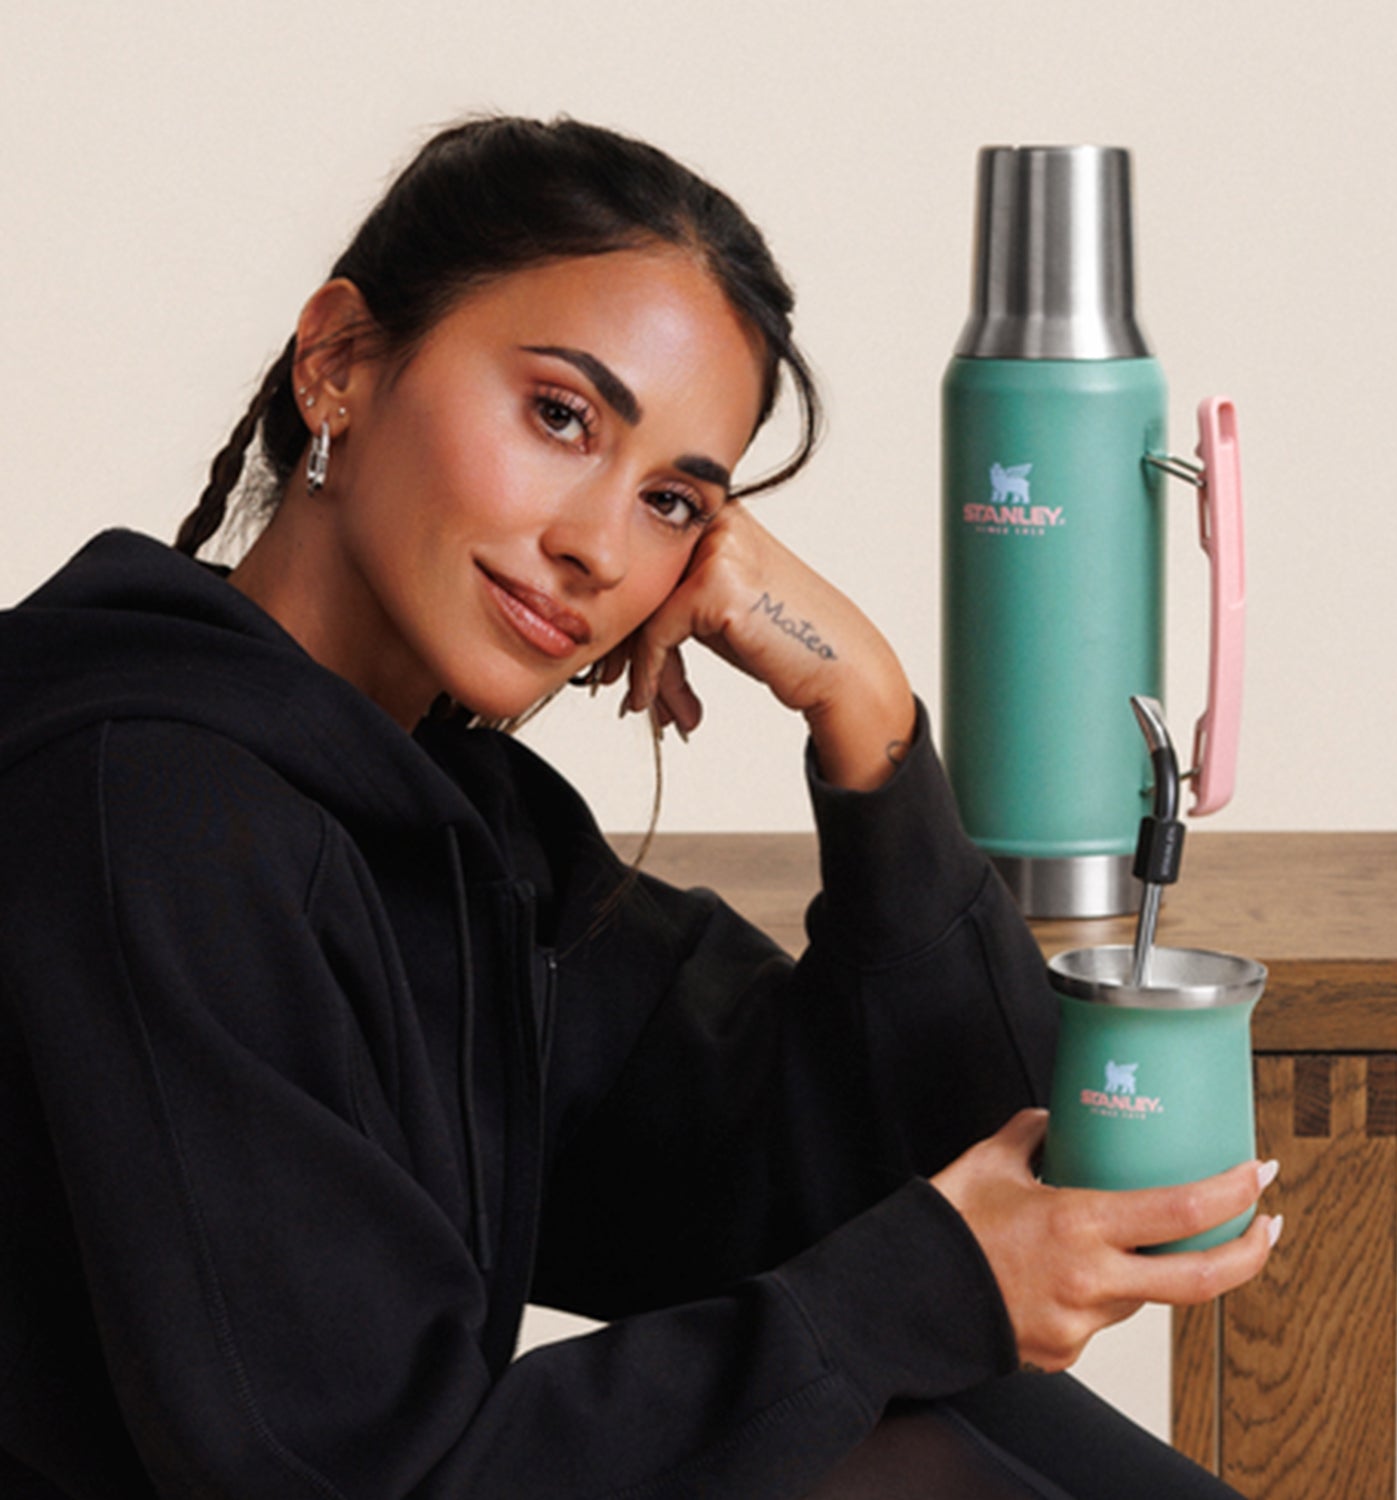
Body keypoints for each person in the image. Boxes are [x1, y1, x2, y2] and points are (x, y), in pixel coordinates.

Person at [0, 115, 1279, 1499]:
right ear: (340, 363)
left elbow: (941, 1163)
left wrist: (866, 715)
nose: (598, 548)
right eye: (561, 416)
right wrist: (924, 1288)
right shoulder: (148, 812)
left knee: (955, 1397)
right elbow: (355, 1475)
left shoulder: (456, 831)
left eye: (673, 501)